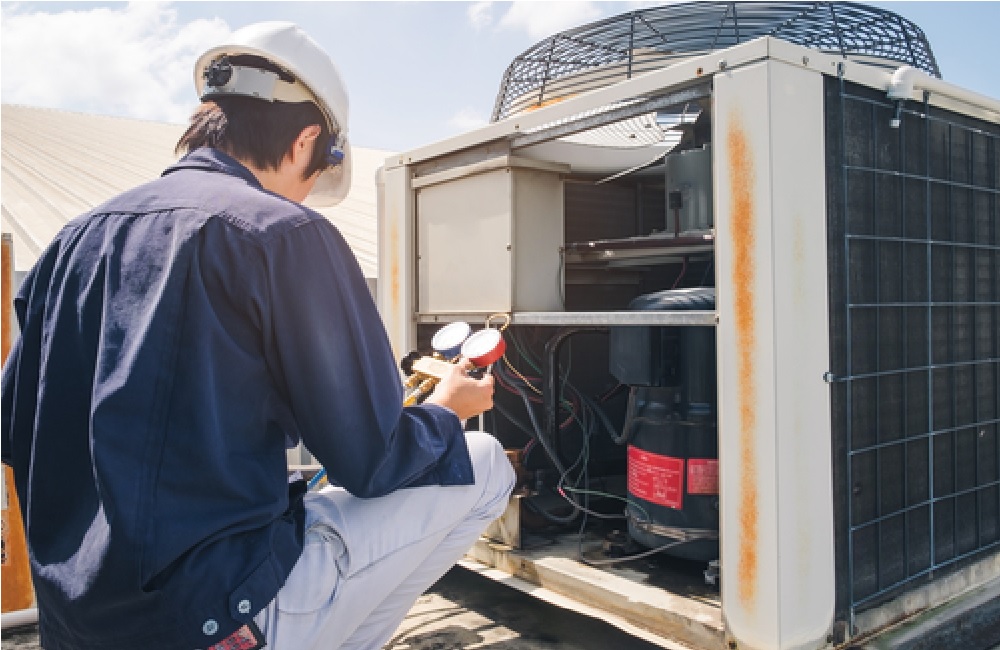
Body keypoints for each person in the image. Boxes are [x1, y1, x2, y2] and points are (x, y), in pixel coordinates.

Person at [1, 21, 515, 650]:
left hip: (78, 625)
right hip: (213, 616)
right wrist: (447, 410)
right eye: (315, 176)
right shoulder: (285, 234)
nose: (306, 196)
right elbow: (371, 461)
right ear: (306, 141)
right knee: (485, 465)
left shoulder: (71, 242)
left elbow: (16, 431)